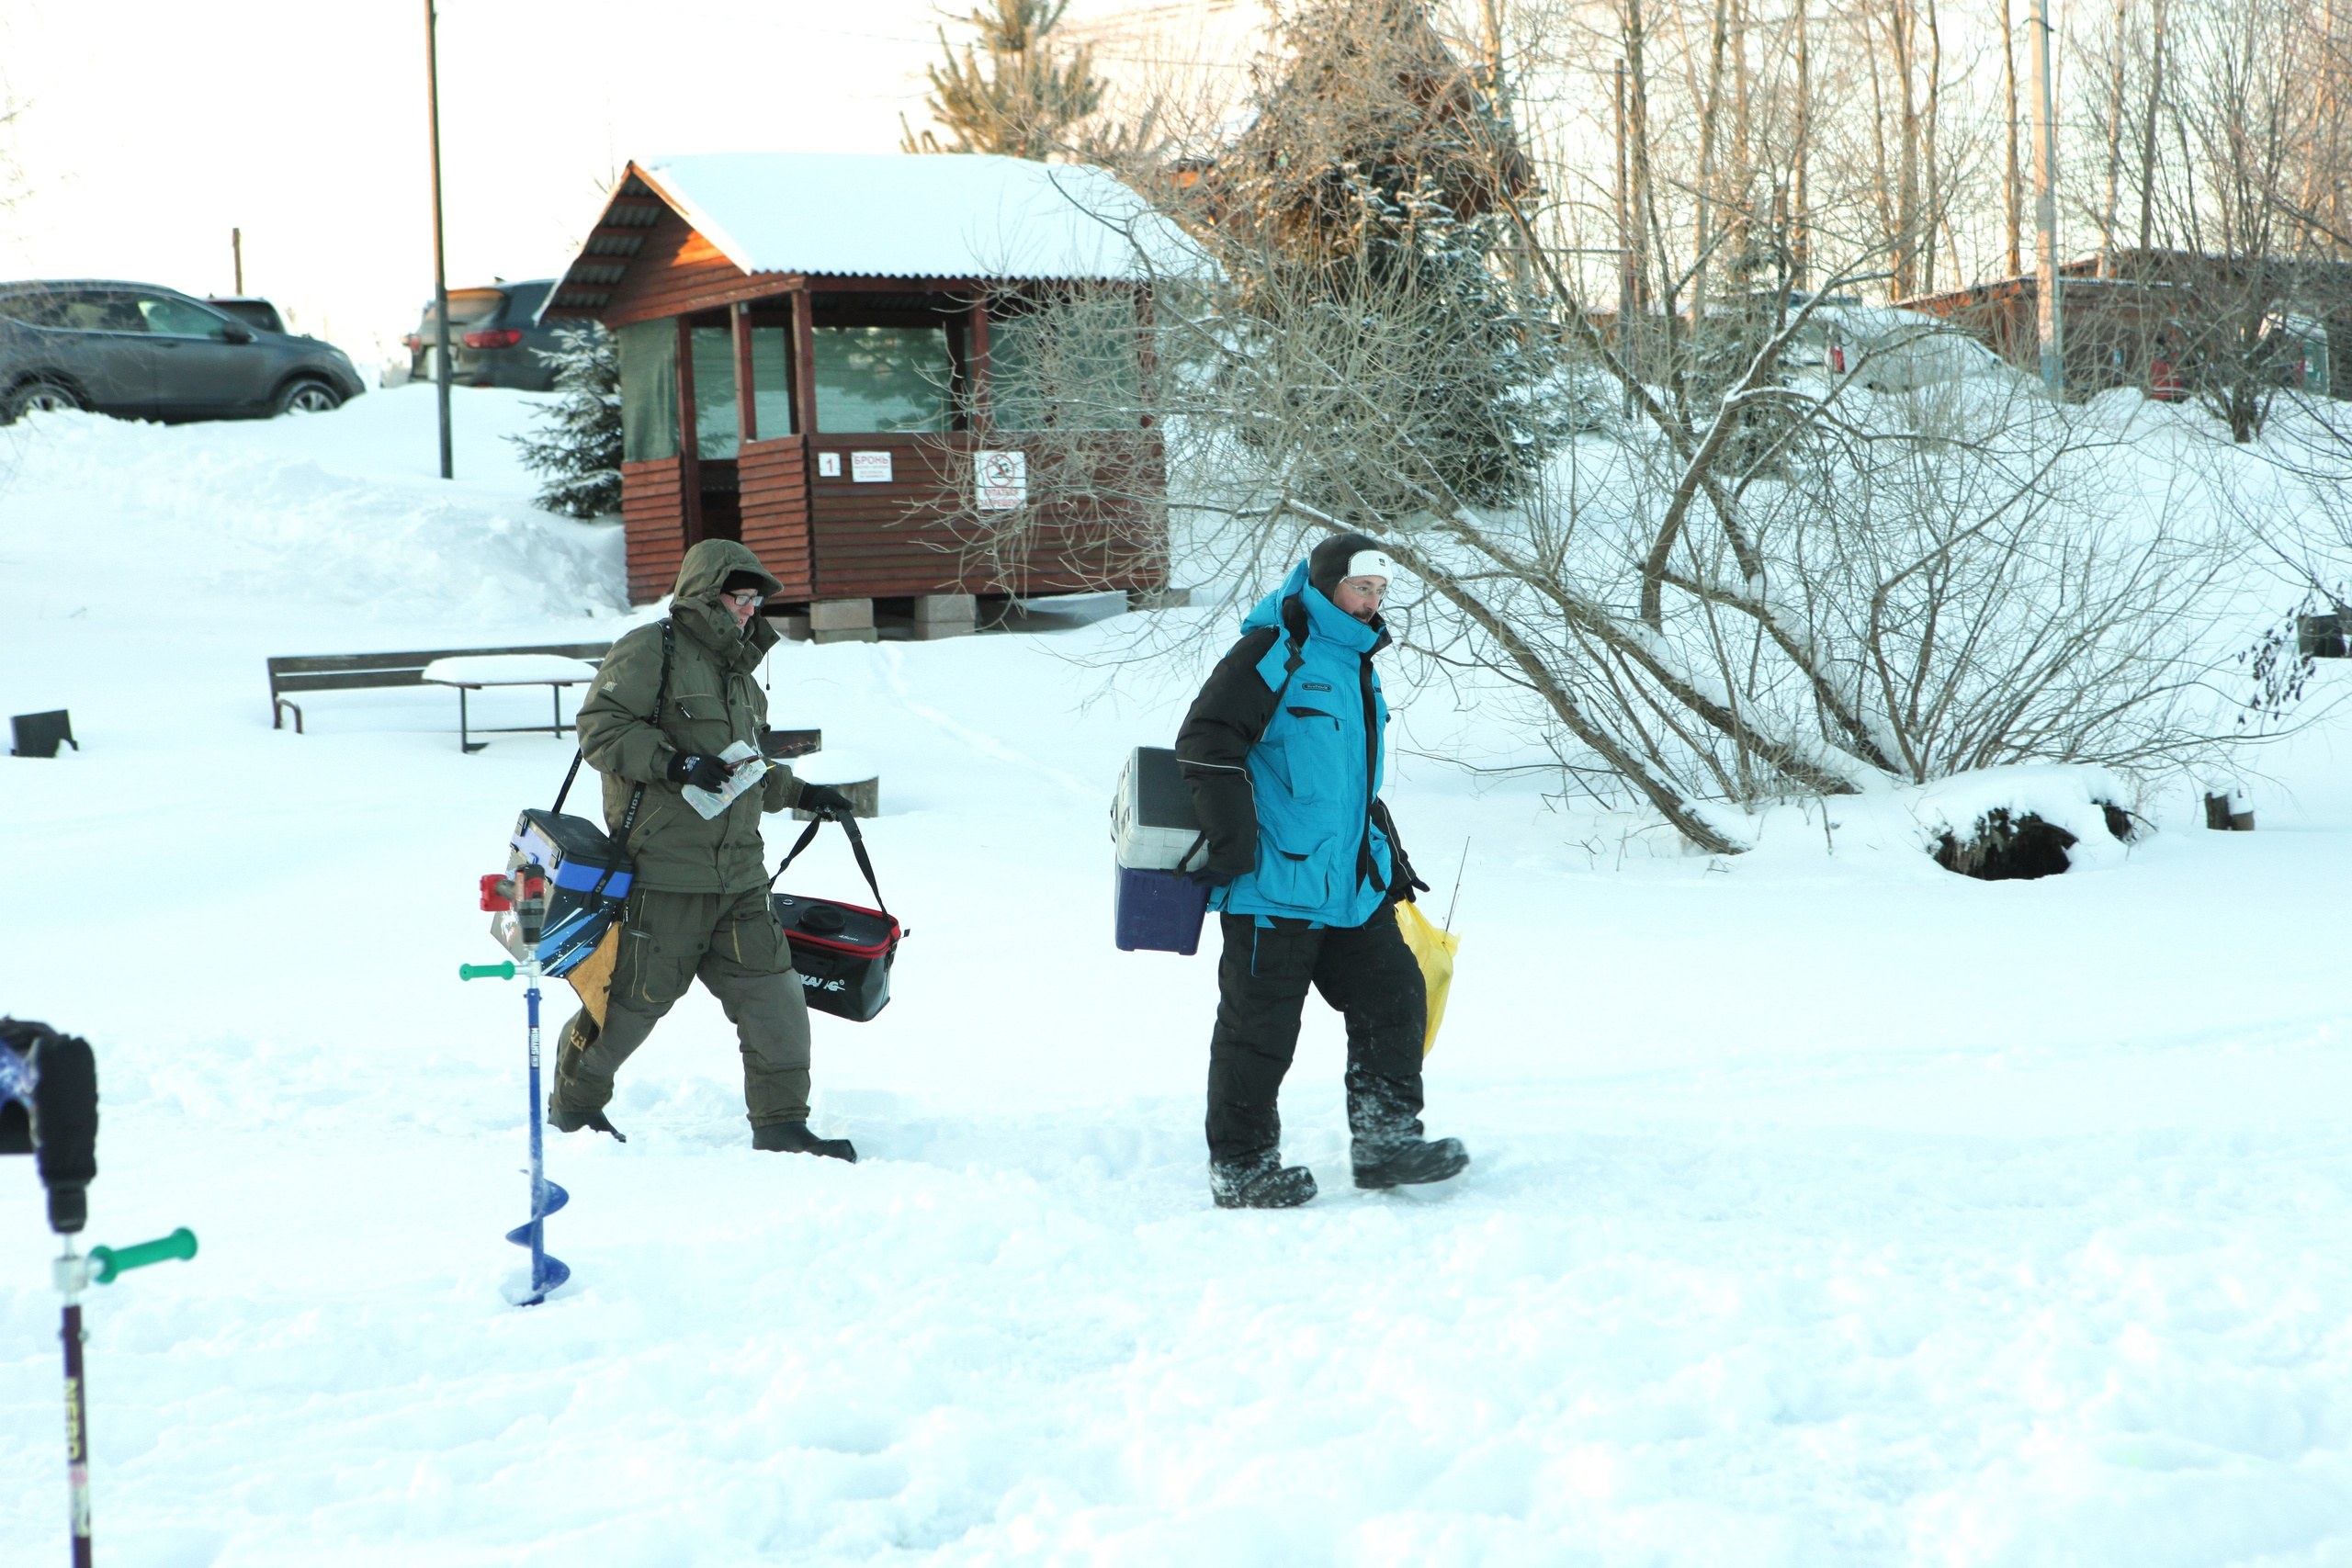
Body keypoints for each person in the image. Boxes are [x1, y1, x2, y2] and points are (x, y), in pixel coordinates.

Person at [1175, 532, 1470, 1209]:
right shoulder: (1278, 647)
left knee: (1395, 995)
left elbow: (1345, 779)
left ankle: (1385, 1140)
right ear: (1327, 582)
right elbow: (1206, 739)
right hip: (1275, 886)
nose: (1370, 602)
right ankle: (1242, 1166)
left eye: (1379, 592)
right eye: (1360, 587)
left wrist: (1379, 851)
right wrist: (1234, 841)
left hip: (1349, 889)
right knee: (1260, 1029)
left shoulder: (1355, 661)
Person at [548, 539, 860, 1159]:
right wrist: (674, 762)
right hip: (663, 881)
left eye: (754, 600)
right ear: (704, 593)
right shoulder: (649, 649)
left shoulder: (741, 676)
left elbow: (742, 769)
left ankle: (780, 1125)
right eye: (737, 597)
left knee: (777, 1001)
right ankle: (575, 1108)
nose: (749, 610)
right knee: (626, 1015)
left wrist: (804, 791)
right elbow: (601, 731)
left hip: (740, 879)